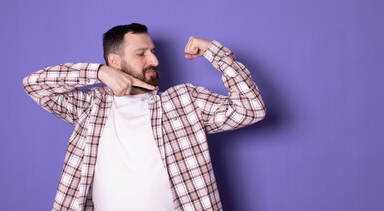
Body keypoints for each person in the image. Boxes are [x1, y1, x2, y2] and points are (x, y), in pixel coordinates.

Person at [23, 23, 266, 211]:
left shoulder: (184, 102)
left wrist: (216, 53)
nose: (155, 60)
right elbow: (34, 84)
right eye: (142, 53)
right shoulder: (90, 106)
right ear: (114, 62)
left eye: (153, 51)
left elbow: (251, 109)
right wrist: (98, 72)